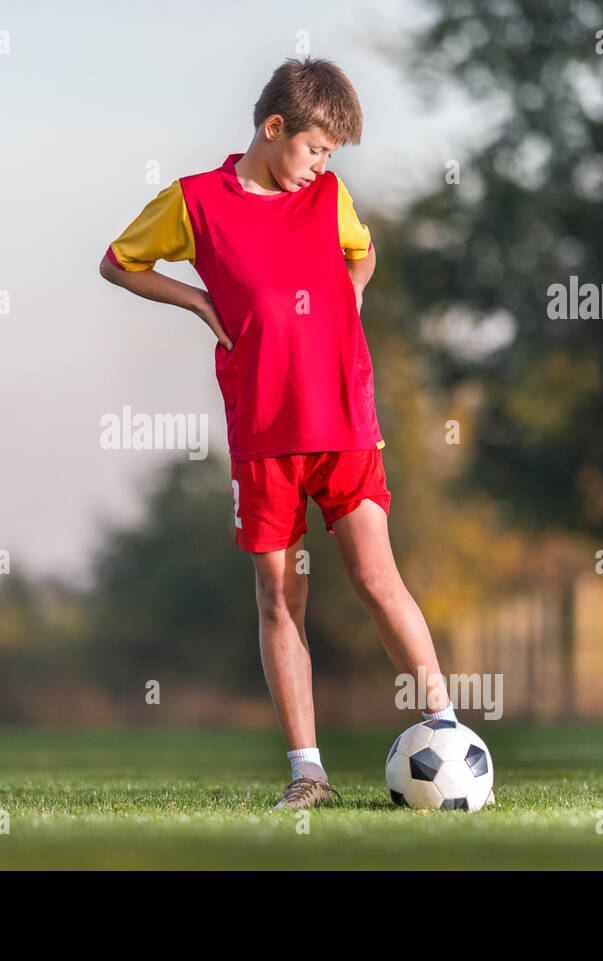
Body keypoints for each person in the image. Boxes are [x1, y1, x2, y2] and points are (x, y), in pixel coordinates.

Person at [99, 57, 457, 810]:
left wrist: (348, 305)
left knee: (374, 577)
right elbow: (117, 262)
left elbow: (363, 254)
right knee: (278, 599)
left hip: (344, 421)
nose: (320, 167)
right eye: (315, 149)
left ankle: (447, 729)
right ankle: (308, 772)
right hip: (263, 435)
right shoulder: (194, 203)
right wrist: (197, 301)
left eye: (330, 156)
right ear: (274, 128)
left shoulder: (329, 198)